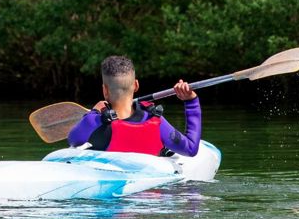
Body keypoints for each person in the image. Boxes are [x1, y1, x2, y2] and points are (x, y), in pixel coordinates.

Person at [67, 55, 201, 156]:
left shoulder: (94, 121)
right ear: (136, 85)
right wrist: (191, 102)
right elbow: (191, 148)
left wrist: (94, 112)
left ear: (105, 90)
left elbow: (73, 140)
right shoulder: (155, 120)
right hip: (153, 190)